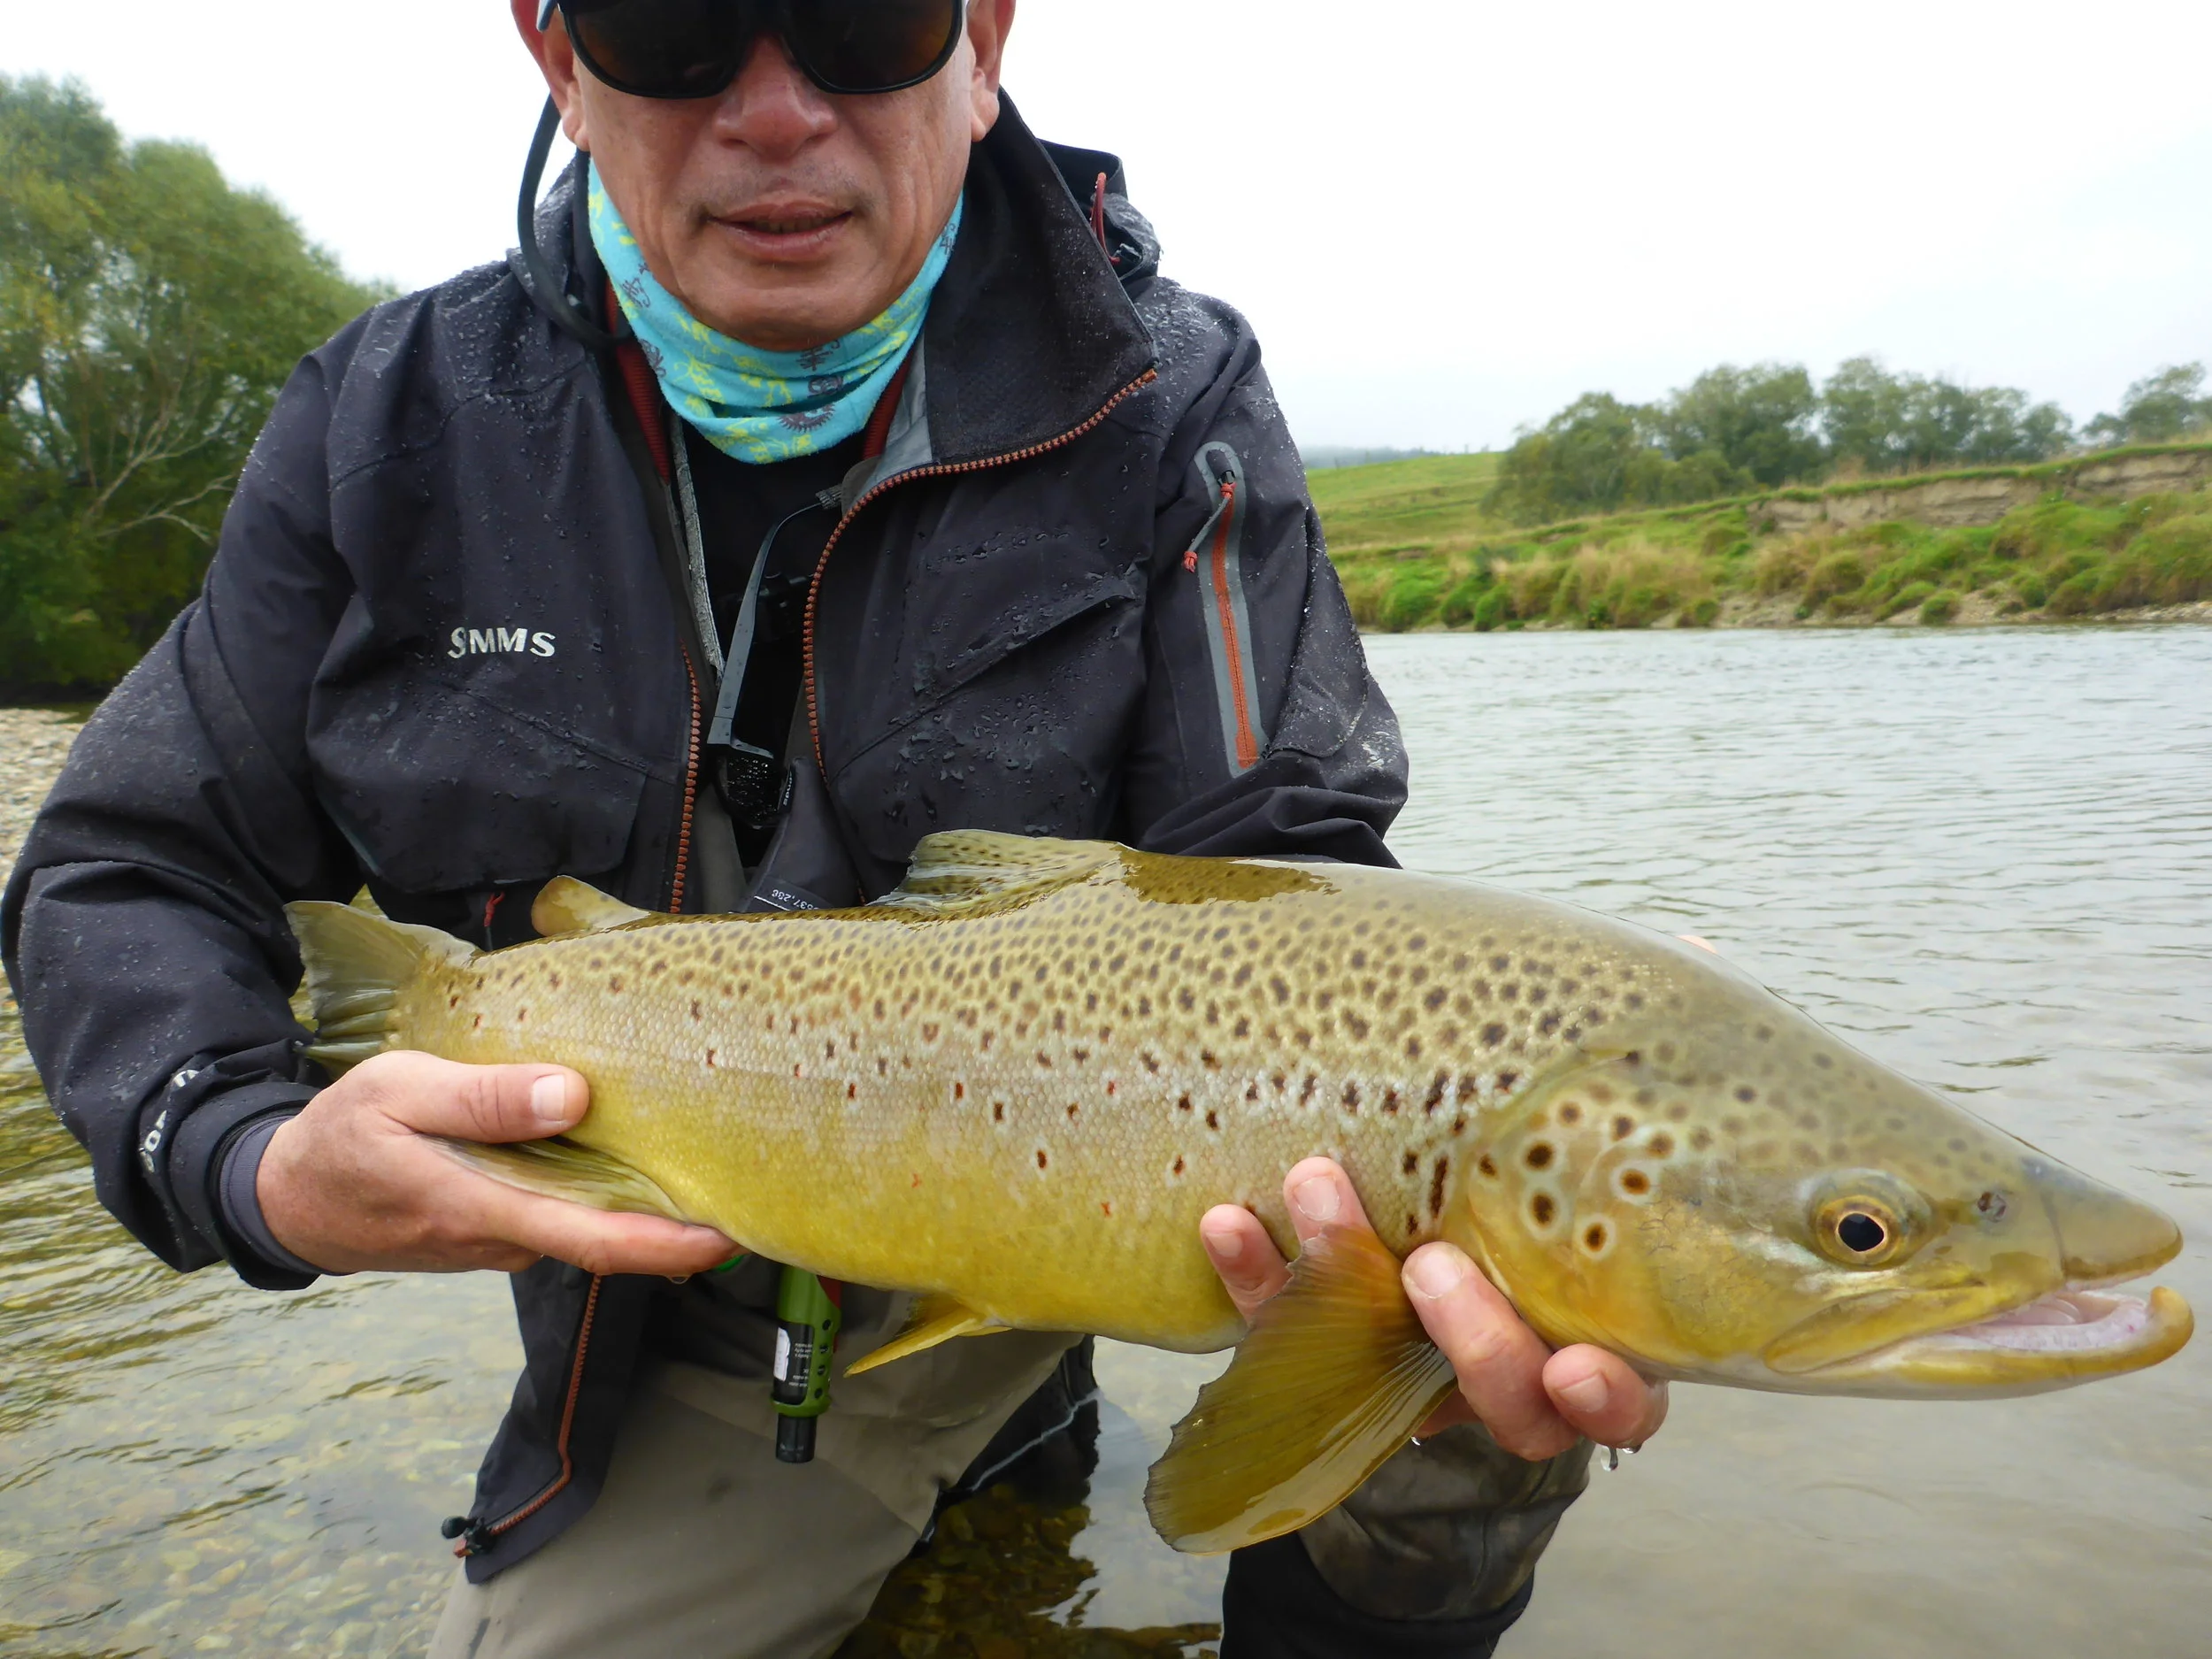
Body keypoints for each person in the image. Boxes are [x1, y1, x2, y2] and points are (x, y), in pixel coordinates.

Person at [2, 3, 1666, 1654]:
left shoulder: (1169, 391)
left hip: (1129, 1181)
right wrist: (251, 1160)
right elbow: (126, 865)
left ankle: (1108, 1473)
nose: (778, 110)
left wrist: (1492, 1088)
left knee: (1484, 1338)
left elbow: (1287, 869)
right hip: (706, 1283)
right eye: (673, 32)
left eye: (863, 21)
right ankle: (963, 1458)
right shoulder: (392, 426)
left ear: (984, 43)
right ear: (559, 58)